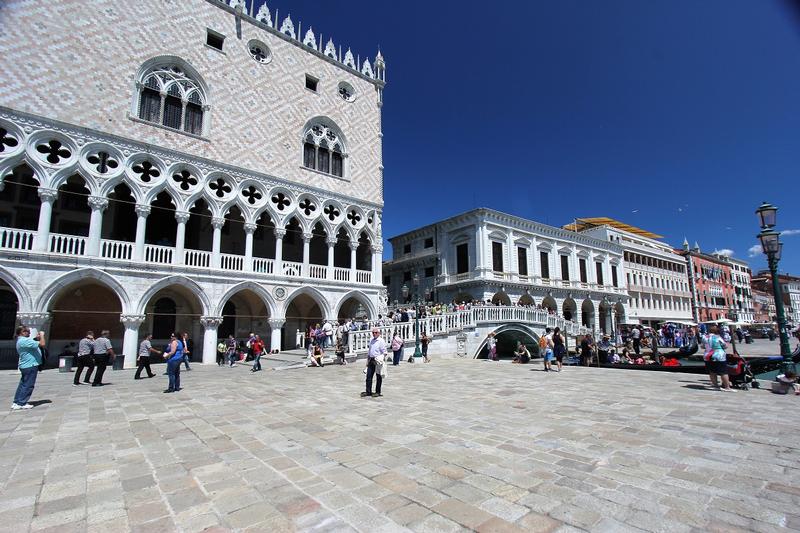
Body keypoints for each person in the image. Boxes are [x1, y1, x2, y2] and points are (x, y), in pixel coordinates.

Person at [11, 325, 45, 410]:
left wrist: (37, 338)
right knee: (28, 385)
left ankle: (17, 401)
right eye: (27, 331)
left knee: (23, 384)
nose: (29, 333)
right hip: (30, 365)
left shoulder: (21, 341)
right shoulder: (24, 341)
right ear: (22, 332)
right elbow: (42, 344)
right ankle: (22, 402)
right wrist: (42, 335)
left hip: (26, 365)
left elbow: (33, 344)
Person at [703, 326, 733, 391]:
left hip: (707, 355)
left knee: (712, 371)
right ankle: (727, 387)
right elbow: (724, 346)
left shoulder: (704, 337)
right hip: (718, 355)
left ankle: (715, 385)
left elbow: (702, 346)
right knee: (723, 372)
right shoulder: (717, 337)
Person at [362, 328, 387, 397]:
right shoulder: (371, 340)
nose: (374, 334)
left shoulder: (381, 341)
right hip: (371, 360)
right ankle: (368, 391)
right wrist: (367, 361)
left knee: (378, 376)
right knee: (368, 376)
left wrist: (381, 359)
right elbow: (369, 351)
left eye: (375, 332)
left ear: (379, 333)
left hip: (378, 360)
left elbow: (384, 352)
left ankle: (378, 391)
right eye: (373, 332)